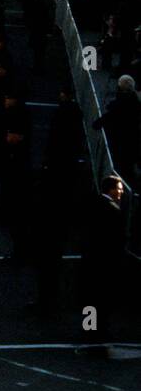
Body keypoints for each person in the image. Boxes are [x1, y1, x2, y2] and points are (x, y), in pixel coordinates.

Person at [79, 174, 128, 349]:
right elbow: (117, 240)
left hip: (91, 259)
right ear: (111, 189)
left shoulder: (94, 204)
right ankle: (98, 331)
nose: (121, 192)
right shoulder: (114, 210)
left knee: (90, 296)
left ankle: (88, 328)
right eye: (119, 189)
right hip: (105, 262)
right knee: (103, 298)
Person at [91, 75, 139, 180]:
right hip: (132, 141)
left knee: (121, 169)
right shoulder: (135, 101)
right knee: (127, 168)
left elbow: (111, 116)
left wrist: (98, 123)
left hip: (120, 140)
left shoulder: (121, 103)